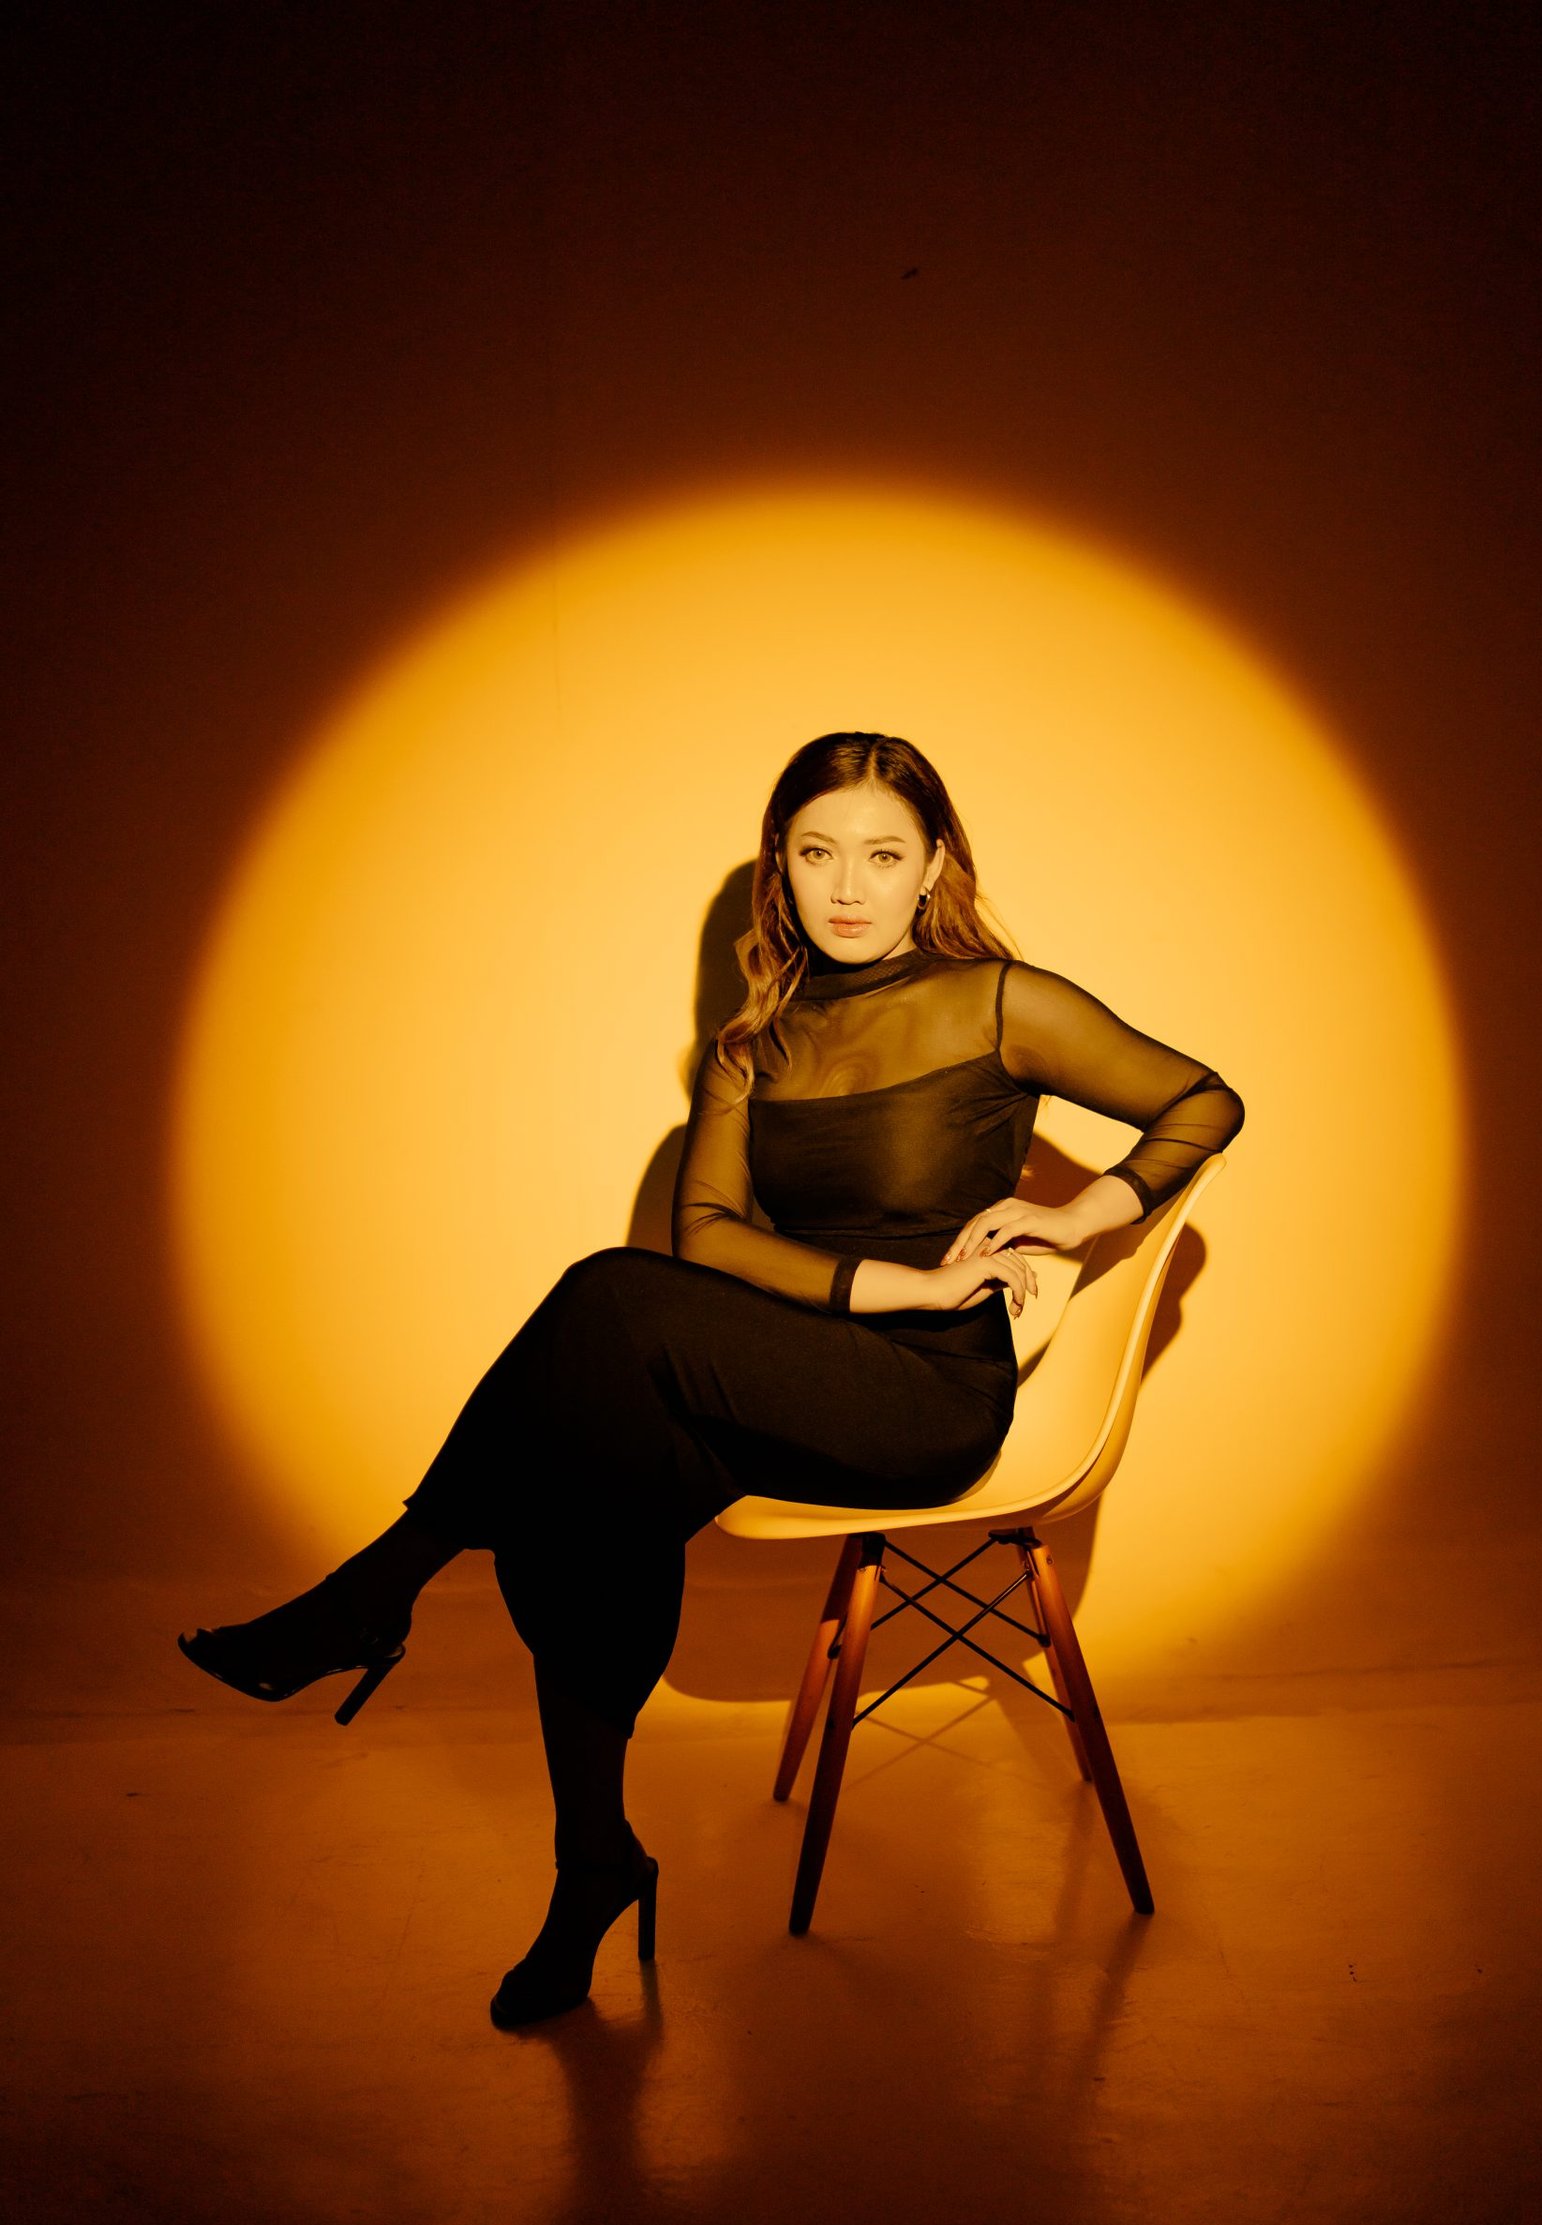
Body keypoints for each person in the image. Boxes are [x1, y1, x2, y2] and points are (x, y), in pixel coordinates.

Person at [178, 731, 1245, 2028]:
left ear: (933, 869)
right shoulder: (752, 1046)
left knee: (605, 1293)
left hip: (924, 1404)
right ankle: (592, 1866)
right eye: (816, 854)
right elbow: (712, 1238)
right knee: (580, 1498)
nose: (846, 886)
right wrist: (893, 1283)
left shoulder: (1001, 1003)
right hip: (793, 1383)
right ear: (779, 868)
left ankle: (376, 1591)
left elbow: (1204, 1102)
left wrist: (1078, 1218)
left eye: (883, 856)